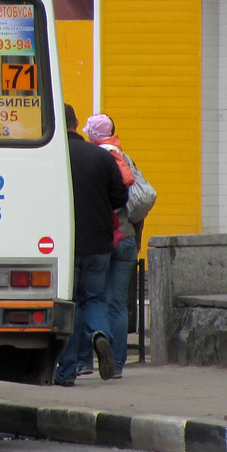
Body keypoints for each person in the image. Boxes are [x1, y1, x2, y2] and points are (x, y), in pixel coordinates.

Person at [54, 104, 129, 386]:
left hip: (67, 242)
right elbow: (121, 198)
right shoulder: (101, 156)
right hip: (100, 241)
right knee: (95, 298)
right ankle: (100, 333)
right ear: (76, 123)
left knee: (70, 305)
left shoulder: (56, 159)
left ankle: (66, 371)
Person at [84, 113, 140, 378]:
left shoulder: (95, 160)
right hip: (127, 236)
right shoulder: (124, 157)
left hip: (104, 237)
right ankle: (117, 365)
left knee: (92, 298)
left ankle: (86, 358)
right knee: (118, 303)